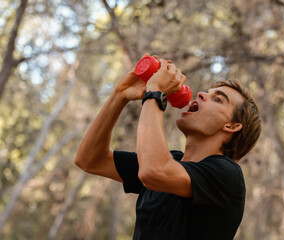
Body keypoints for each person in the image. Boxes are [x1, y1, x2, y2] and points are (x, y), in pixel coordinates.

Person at [75, 54, 261, 240]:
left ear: (232, 126)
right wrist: (120, 94)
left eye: (218, 100)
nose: (202, 94)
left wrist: (155, 93)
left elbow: (153, 171)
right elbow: (90, 159)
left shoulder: (227, 174)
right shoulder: (170, 160)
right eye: (207, 93)